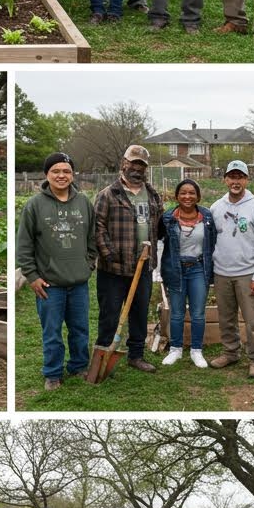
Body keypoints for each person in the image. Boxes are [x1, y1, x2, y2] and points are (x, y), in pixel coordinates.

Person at [14, 151, 96, 391]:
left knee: (80, 329)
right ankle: (52, 373)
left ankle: (79, 366)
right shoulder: (35, 205)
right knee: (52, 332)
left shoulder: (84, 203)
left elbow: (92, 238)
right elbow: (24, 245)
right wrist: (32, 276)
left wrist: (89, 264)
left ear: (73, 175)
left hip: (78, 283)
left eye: (66, 171)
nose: (62, 175)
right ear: (46, 174)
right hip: (49, 285)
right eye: (56, 171)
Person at [94, 145, 164, 373]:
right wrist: (109, 254)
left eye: (141, 165)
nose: (136, 168)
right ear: (124, 163)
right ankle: (103, 355)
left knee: (139, 313)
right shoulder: (108, 194)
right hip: (112, 269)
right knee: (110, 314)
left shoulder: (152, 195)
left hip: (143, 266)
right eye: (133, 163)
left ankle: (136, 355)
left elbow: (159, 225)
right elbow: (98, 227)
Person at [208, 161, 254, 379]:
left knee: (253, 320)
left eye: (240, 177)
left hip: (247, 273)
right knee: (226, 318)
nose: (235, 182)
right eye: (232, 177)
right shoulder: (216, 208)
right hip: (222, 273)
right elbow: (212, 241)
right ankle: (230, 352)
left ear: (246, 180)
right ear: (225, 179)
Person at [161, 179, 217, 368]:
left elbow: (213, 242)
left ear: (198, 196)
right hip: (176, 269)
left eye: (192, 193)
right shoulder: (168, 217)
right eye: (183, 193)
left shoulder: (207, 217)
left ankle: (196, 350)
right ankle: (175, 349)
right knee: (177, 312)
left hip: (198, 268)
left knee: (198, 313)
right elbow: (161, 241)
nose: (187, 196)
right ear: (177, 196)